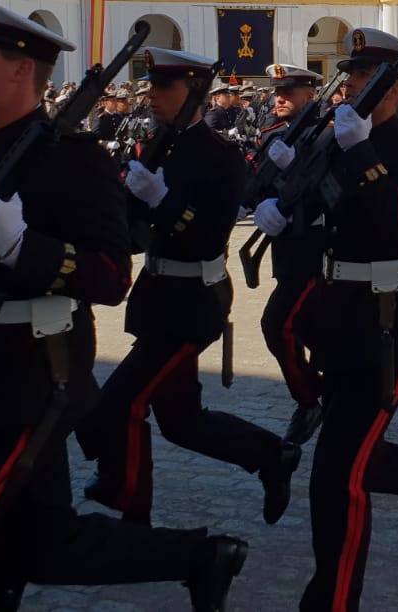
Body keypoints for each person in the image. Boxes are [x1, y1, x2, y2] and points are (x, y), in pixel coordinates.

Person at [0, 0, 247, 611]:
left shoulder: (74, 160)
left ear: (21, 70)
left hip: (32, 382)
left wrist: (24, 246)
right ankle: (199, 557)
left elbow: (107, 276)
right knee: (41, 543)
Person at [255, 27, 398, 611]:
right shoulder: (335, 137)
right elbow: (323, 211)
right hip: (339, 320)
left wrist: (360, 151)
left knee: (337, 477)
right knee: (346, 456)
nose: (351, 84)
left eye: (364, 77)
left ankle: (332, 599)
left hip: (389, 327)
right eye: (351, 74)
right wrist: (281, 206)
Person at [78, 46, 299, 527]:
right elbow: (133, 226)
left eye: (164, 86)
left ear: (193, 91)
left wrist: (160, 201)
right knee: (179, 422)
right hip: (159, 297)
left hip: (193, 302)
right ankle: (271, 455)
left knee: (123, 401)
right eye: (152, 85)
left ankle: (130, 508)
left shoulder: (220, 156)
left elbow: (206, 236)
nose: (152, 95)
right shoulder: (159, 144)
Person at [251, 63, 331, 444]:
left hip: (317, 250)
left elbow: (330, 194)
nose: (281, 97)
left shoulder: (326, 136)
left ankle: (309, 398)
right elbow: (258, 182)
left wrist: (294, 167)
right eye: (278, 91)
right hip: (286, 250)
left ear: (310, 95)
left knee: (277, 324)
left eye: (291, 91)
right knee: (315, 329)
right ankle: (336, 391)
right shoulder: (272, 133)